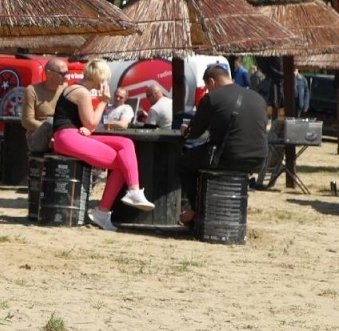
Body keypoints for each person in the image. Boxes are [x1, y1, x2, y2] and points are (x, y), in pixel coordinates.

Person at [48, 58, 153, 231]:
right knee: (122, 162)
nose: (106, 83)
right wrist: (104, 101)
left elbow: (86, 124)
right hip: (67, 138)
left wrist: (87, 127)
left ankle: (127, 195)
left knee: (125, 143)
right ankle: (108, 207)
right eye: (105, 79)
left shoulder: (76, 89)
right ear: (99, 77)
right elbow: (91, 123)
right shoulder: (82, 92)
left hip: (71, 135)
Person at [178, 64, 269, 227]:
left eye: (207, 86)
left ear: (211, 82)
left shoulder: (212, 98)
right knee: (199, 158)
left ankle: (196, 209)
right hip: (258, 159)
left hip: (228, 157)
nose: (207, 90)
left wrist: (185, 130)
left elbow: (193, 133)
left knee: (185, 163)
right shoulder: (258, 98)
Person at [22, 58, 68, 153]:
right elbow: (27, 121)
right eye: (62, 74)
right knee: (50, 122)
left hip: (59, 134)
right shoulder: (32, 90)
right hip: (37, 138)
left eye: (67, 73)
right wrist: (50, 130)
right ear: (49, 73)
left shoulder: (66, 90)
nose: (66, 77)